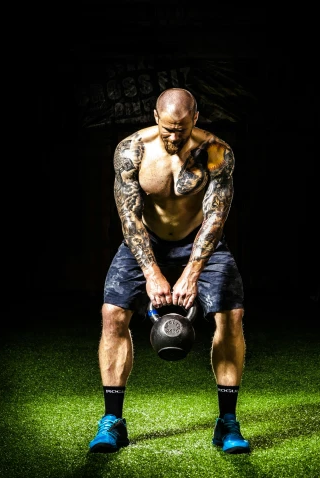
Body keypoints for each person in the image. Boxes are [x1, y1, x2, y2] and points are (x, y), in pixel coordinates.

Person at [88, 88, 250, 454]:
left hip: (200, 241)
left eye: (180, 129)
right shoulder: (133, 150)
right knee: (113, 315)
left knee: (232, 316)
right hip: (146, 241)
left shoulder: (214, 152)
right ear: (155, 117)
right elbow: (129, 217)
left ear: (196, 118)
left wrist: (192, 272)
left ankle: (227, 423)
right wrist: (151, 272)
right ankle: (113, 420)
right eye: (167, 129)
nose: (174, 137)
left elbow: (215, 217)